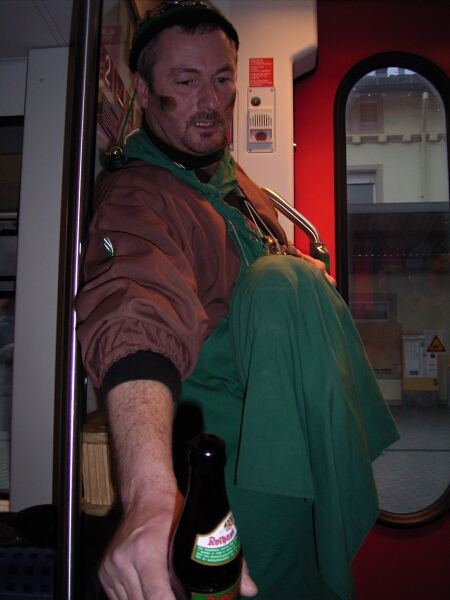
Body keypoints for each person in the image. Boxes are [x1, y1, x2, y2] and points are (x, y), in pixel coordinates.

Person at [75, 2, 399, 599]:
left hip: (301, 451)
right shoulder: (137, 198)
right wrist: (150, 493)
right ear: (142, 91)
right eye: (185, 81)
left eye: (222, 78)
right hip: (240, 476)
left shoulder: (238, 186)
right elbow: (134, 307)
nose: (210, 100)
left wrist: (301, 275)